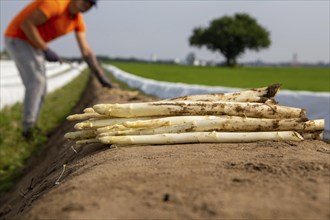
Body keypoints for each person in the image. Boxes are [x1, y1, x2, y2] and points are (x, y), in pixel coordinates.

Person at [4, 0, 112, 139]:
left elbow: (86, 51)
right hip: (18, 38)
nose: (87, 5)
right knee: (36, 82)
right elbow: (26, 24)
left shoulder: (77, 20)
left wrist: (100, 75)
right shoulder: (55, 4)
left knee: (41, 86)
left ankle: (32, 127)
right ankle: (28, 130)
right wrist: (46, 49)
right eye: (85, 1)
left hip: (34, 43)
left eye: (91, 4)